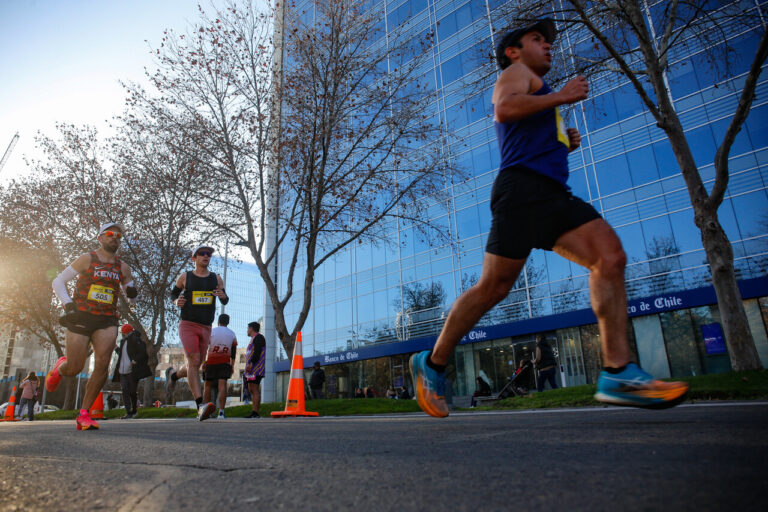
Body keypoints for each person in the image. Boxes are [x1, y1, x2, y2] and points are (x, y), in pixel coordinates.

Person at [409, 19, 689, 418]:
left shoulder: (534, 85)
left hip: (551, 195)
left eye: (548, 41)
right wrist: (561, 96)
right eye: (537, 39)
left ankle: (617, 372)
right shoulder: (515, 73)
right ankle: (432, 363)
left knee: (609, 258)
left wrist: (563, 143)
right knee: (493, 289)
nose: (548, 46)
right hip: (521, 194)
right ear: (513, 50)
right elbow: (505, 109)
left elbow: (524, 138)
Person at [48, 222, 138, 430]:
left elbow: (131, 295)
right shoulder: (87, 258)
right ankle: (61, 368)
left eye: (118, 235)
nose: (114, 237)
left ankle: (84, 414)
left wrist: (132, 294)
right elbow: (58, 282)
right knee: (75, 367)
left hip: (107, 319)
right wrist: (69, 305)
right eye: (109, 234)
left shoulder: (123, 267)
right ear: (100, 238)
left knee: (103, 363)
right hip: (81, 315)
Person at [166, 244, 229, 422]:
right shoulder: (185, 277)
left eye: (208, 254)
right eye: (202, 253)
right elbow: (173, 294)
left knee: (195, 365)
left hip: (206, 326)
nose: (206, 256)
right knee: (193, 361)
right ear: (194, 258)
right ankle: (200, 405)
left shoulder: (216, 278)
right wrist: (175, 301)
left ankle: (174, 375)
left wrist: (222, 296)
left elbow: (225, 298)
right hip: (187, 324)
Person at [111, 323, 151, 419]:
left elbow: (142, 352)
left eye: (123, 333)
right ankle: (128, 412)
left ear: (126, 332)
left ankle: (134, 411)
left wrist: (134, 361)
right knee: (125, 390)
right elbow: (122, 354)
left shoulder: (136, 340)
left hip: (132, 370)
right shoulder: (123, 341)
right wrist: (116, 348)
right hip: (122, 371)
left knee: (132, 391)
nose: (123, 334)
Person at [202, 314, 237, 419]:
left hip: (211, 362)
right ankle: (221, 412)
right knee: (222, 386)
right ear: (228, 322)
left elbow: (204, 348)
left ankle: (205, 411)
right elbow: (233, 353)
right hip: (225, 363)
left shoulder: (211, 332)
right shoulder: (232, 334)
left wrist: (204, 362)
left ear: (218, 321)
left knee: (207, 386)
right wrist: (232, 365)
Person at [243, 321, 266, 418]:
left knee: (254, 388)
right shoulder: (252, 339)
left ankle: (255, 412)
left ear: (251, 328)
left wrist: (252, 363)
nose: (247, 331)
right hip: (251, 369)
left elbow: (257, 351)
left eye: (248, 328)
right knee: (251, 388)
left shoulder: (259, 337)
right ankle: (254, 411)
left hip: (256, 368)